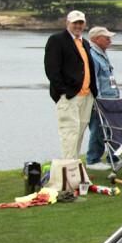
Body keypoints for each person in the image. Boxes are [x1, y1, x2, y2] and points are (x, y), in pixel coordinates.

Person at [43, 10, 100, 160]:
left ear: (84, 24)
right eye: (75, 23)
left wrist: (93, 92)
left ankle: (74, 166)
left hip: (87, 96)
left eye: (81, 23)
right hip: (69, 96)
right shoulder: (56, 40)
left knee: (79, 133)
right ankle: (68, 168)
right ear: (67, 23)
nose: (78, 26)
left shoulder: (85, 43)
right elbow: (51, 69)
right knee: (70, 133)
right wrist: (63, 91)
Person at [84, 26, 120, 169]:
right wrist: (97, 101)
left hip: (111, 100)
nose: (110, 41)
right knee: (99, 129)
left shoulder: (102, 54)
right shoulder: (92, 55)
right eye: (107, 38)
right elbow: (94, 81)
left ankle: (114, 158)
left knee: (114, 129)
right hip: (101, 101)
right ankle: (93, 160)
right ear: (96, 39)